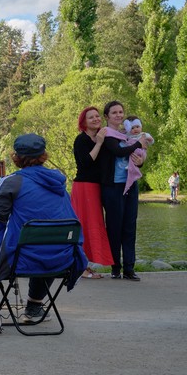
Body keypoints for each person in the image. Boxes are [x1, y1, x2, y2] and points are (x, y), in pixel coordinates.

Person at [0, 133, 87, 323]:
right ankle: (34, 307)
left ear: (16, 157)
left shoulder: (13, 181)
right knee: (44, 243)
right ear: (43, 155)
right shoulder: (58, 183)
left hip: (20, 259)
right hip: (61, 257)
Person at [98, 101, 151, 281]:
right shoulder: (106, 134)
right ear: (107, 116)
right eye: (114, 113)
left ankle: (129, 268)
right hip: (113, 186)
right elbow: (118, 152)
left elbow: (136, 155)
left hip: (130, 185)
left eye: (121, 112)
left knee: (130, 226)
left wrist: (140, 161)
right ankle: (115, 267)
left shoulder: (126, 134)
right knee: (114, 227)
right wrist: (138, 144)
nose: (119, 115)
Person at [71, 106, 113, 278]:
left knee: (95, 225)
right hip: (84, 187)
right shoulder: (81, 140)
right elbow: (87, 162)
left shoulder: (101, 137)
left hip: (96, 187)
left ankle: (84, 265)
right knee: (85, 225)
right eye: (91, 117)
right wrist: (100, 143)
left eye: (97, 116)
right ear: (84, 122)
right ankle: (81, 268)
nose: (96, 119)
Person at [111, 116, 155, 195]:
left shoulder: (143, 135)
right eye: (132, 128)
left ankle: (131, 167)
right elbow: (119, 150)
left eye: (137, 127)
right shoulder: (123, 135)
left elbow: (150, 141)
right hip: (116, 180)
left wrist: (141, 161)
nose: (135, 129)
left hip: (139, 154)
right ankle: (130, 166)